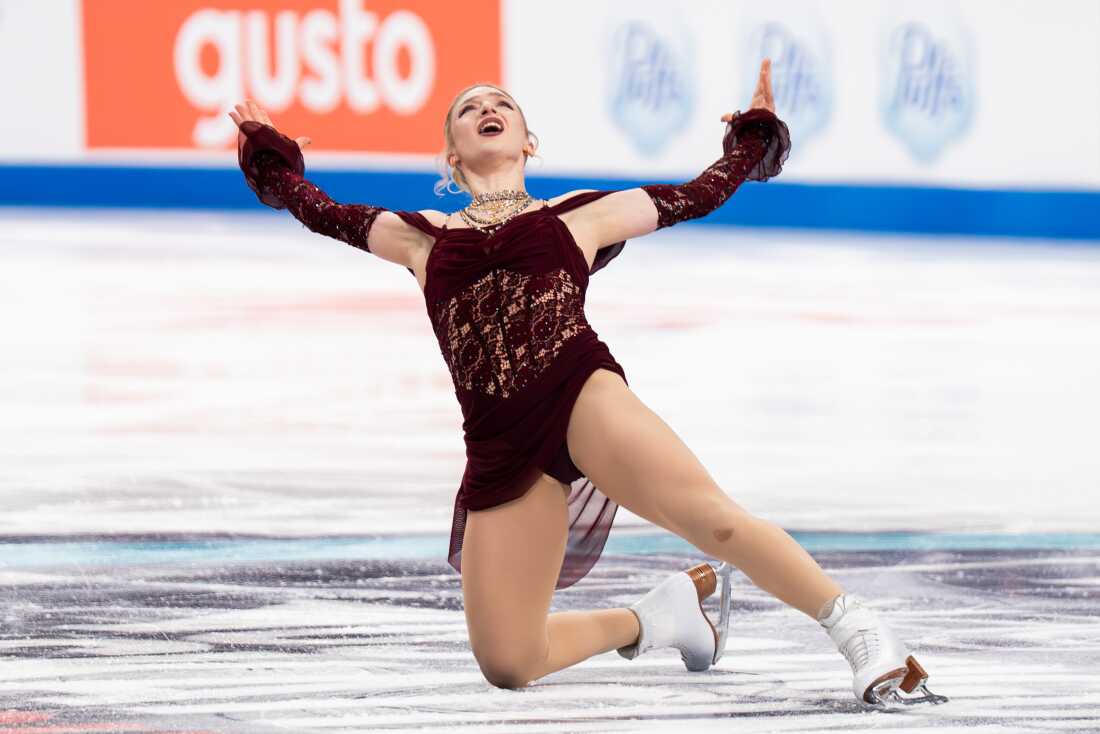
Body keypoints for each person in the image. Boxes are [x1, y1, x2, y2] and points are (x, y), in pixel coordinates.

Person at [228, 58, 946, 708]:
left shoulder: (577, 216)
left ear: (526, 141)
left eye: (502, 103)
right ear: (451, 153)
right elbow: (313, 206)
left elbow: (701, 193)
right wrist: (267, 150)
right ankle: (658, 618)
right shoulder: (421, 239)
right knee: (508, 659)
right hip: (499, 442)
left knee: (712, 519)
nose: (488, 107)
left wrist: (752, 140)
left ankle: (862, 635)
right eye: (470, 106)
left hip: (577, 394)